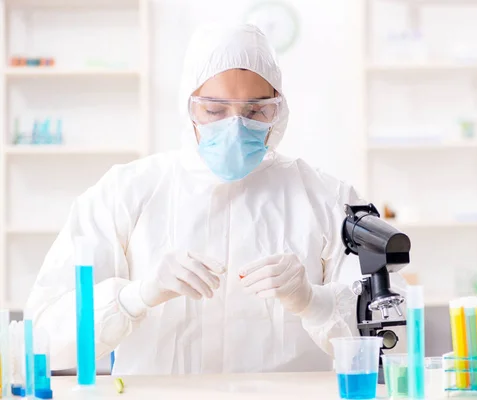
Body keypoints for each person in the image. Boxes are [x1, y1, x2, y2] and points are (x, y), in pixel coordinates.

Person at [26, 23, 406, 375]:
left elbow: (392, 342)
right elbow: (42, 342)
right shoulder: (125, 192)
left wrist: (312, 301)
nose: (235, 126)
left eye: (256, 110)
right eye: (213, 109)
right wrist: (135, 296)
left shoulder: (327, 197)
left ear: (279, 108)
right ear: (187, 106)